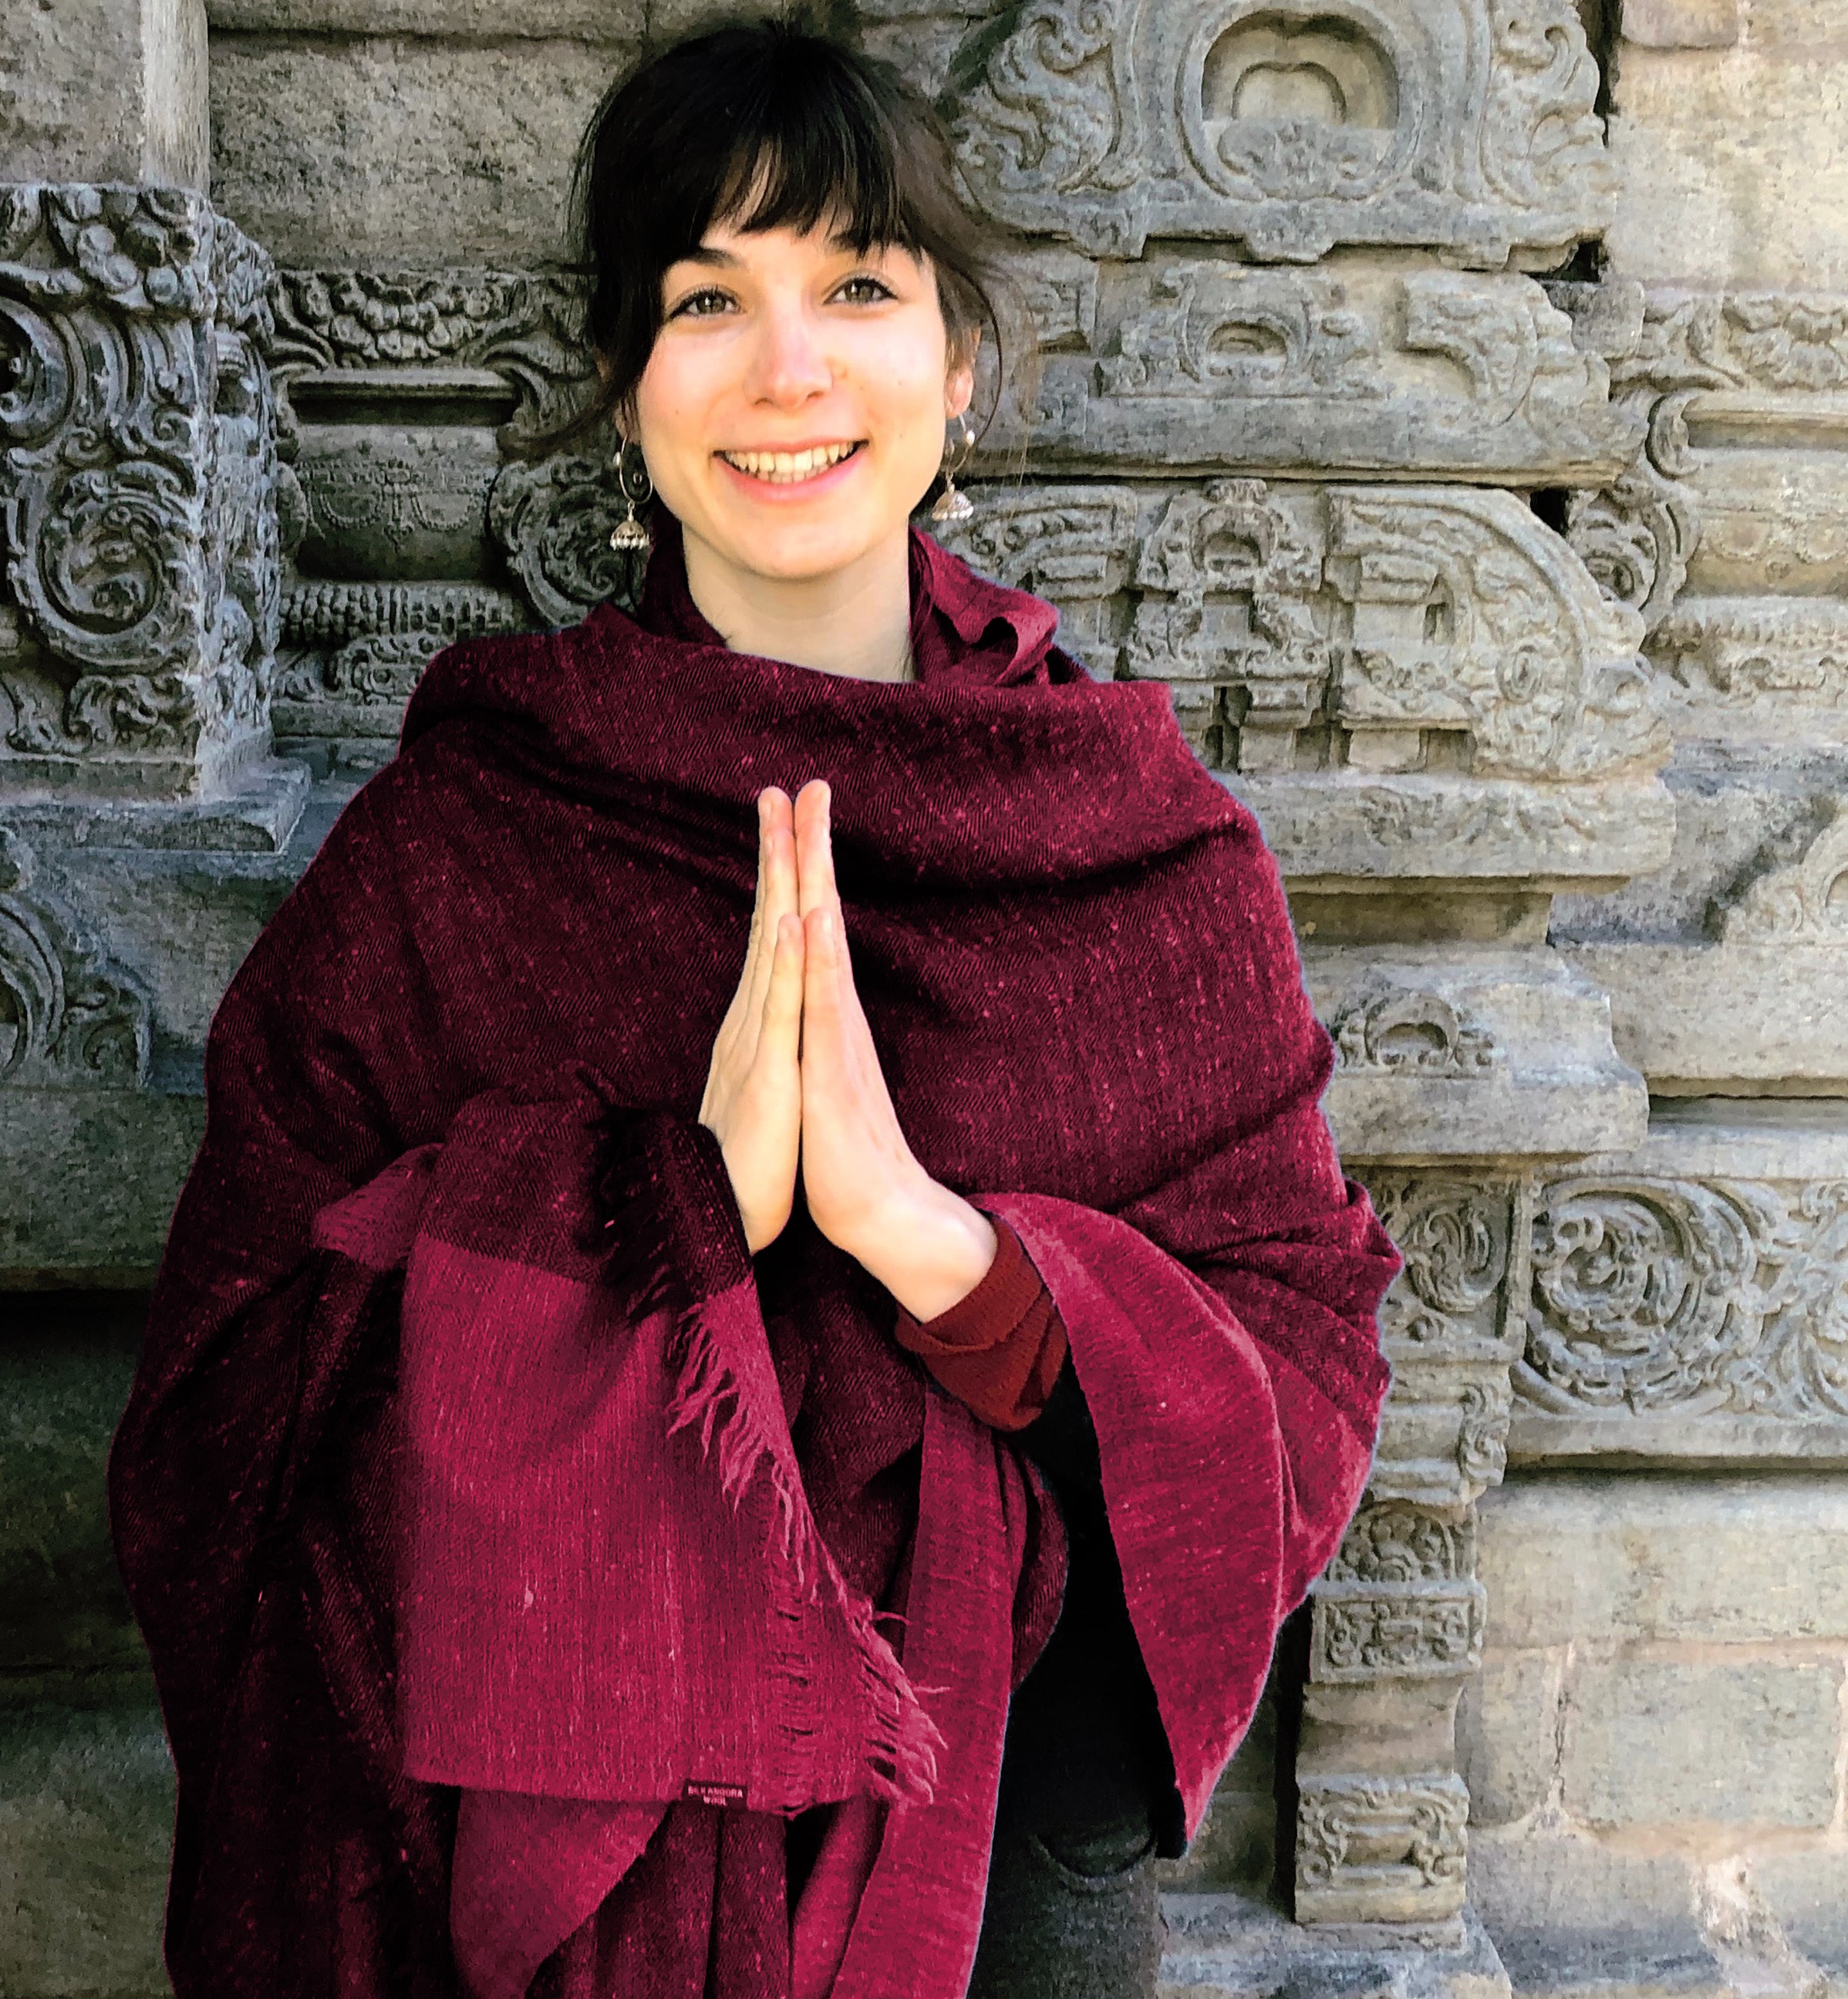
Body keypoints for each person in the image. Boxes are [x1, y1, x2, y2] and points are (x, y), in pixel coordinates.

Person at [106, 21, 1401, 1999]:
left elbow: (1291, 1378)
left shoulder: (1141, 853)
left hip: (1002, 1885)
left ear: (958, 364)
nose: (786, 368)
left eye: (857, 286)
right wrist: (652, 1219)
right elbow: (224, 1419)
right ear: (629, 386)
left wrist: (930, 1243)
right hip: (518, 1897)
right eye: (709, 297)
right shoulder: (470, 840)